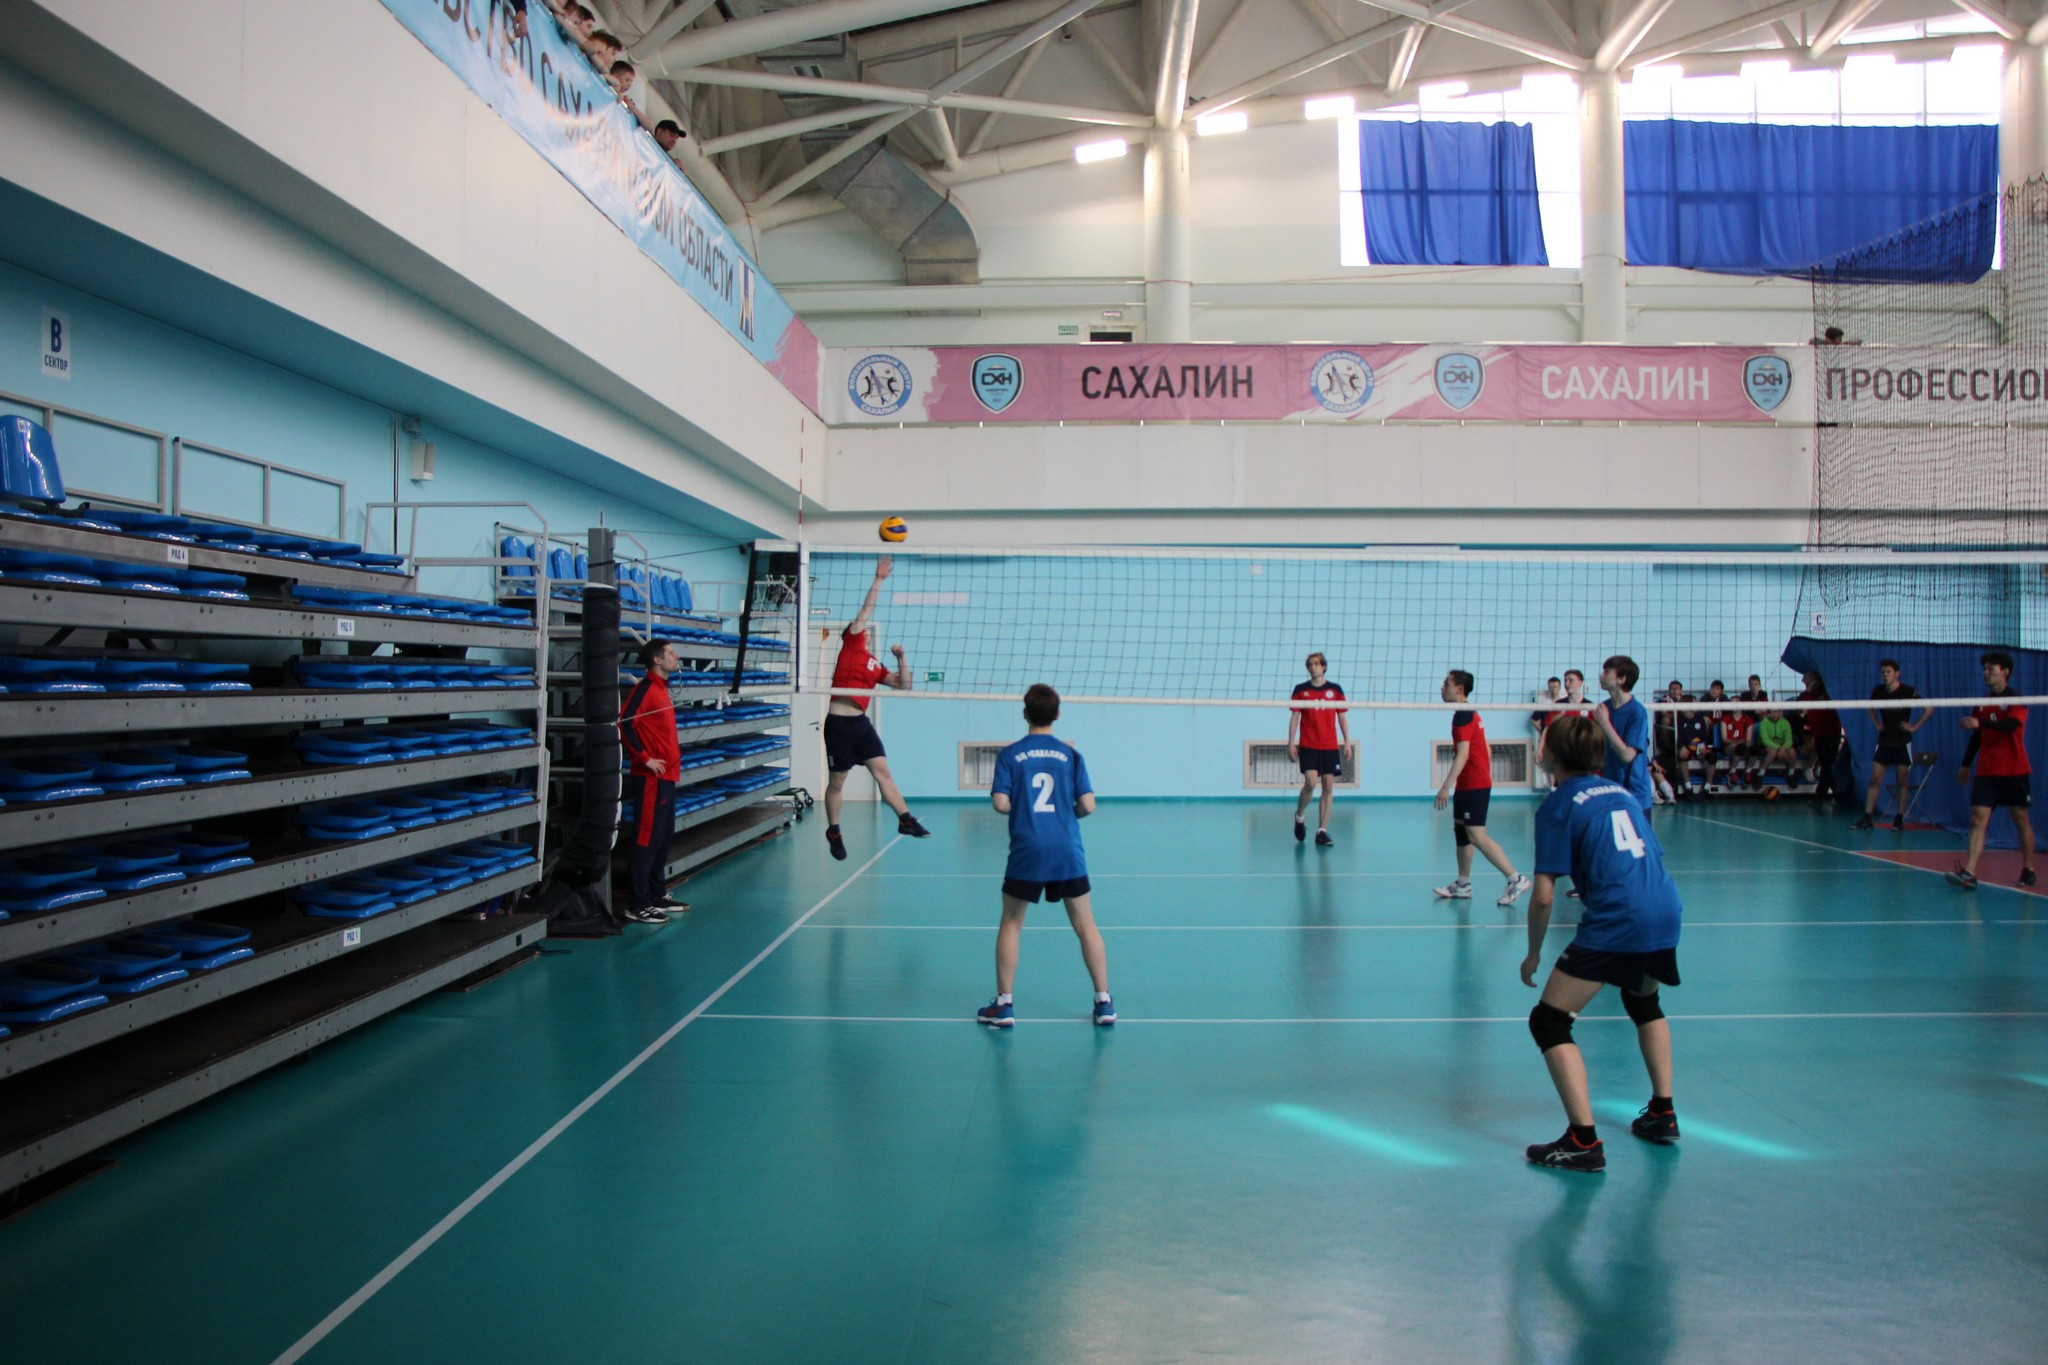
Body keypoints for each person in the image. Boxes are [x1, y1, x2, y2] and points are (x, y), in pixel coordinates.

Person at [1520, 713, 1685, 1172]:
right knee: (1644, 1002)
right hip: (1664, 908)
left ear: (1553, 755)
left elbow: (1544, 895)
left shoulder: (1557, 806)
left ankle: (1583, 1141)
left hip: (1619, 918)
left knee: (1549, 1022)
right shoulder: (1622, 793)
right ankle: (1663, 1113)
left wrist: (1533, 953)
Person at [977, 684, 1115, 1028]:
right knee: (1086, 925)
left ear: (1025, 714)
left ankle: (1004, 1005)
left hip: (1028, 848)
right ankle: (1103, 1002)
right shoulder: (1071, 755)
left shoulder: (1010, 755)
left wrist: (1025, 810)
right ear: (1058, 714)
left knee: (1012, 923)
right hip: (1067, 849)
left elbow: (1000, 803)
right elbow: (1088, 805)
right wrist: (1066, 814)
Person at [823, 556, 931, 861]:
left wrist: (901, 659)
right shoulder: (852, 643)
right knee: (837, 782)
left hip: (861, 725)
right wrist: (879, 579)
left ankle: (905, 819)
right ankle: (834, 831)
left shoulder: (874, 664)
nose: (866, 629)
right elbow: (867, 609)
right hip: (838, 725)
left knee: (883, 771)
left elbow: (903, 684)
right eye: (861, 627)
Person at [1432, 670, 1532, 906]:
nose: (1442, 688)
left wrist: (1445, 786)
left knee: (1477, 835)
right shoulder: (1471, 713)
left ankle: (1516, 878)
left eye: (1446, 684)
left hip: (1474, 784)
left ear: (1459, 690)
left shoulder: (1463, 716)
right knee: (1461, 832)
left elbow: (1464, 754)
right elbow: (1487, 749)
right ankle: (1463, 885)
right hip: (1470, 782)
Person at [1948, 650, 2038, 890]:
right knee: (1977, 818)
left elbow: (2011, 725)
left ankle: (2028, 868)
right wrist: (1966, 764)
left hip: (2014, 769)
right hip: (1987, 771)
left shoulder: (2016, 699)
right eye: (1984, 669)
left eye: (1991, 669)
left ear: (2005, 672)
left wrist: (1981, 722)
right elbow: (1978, 736)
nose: (1986, 673)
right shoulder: (1983, 702)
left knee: (2020, 818)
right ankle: (1969, 872)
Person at [619, 639, 690, 924]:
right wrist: (645, 758)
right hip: (650, 778)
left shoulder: (662, 690)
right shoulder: (645, 689)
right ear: (657, 660)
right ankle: (638, 903)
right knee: (646, 837)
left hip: (667, 777)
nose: (676, 656)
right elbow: (625, 723)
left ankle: (657, 892)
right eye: (671, 653)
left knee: (663, 836)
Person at [1856, 659, 1933, 831]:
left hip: (1902, 740)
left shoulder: (1908, 691)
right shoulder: (1878, 691)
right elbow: (1869, 707)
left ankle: (1899, 818)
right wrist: (1877, 724)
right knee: (1874, 779)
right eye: (1883, 672)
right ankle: (1867, 817)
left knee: (1901, 781)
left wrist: (1914, 726)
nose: (1885, 675)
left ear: (1897, 674)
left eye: (1888, 672)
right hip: (1884, 740)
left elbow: (1929, 708)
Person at [1288, 652, 1353, 847]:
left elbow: (1342, 717)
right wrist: (1291, 742)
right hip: (1308, 744)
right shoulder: (1301, 690)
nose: (1313, 667)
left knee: (1328, 786)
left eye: (1316, 664)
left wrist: (1347, 742)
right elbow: (1295, 718)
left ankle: (1321, 831)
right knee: (1310, 782)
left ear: (1323, 666)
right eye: (1310, 664)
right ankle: (1299, 816)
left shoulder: (1335, 689)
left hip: (1329, 745)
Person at [1594, 655, 1655, 821]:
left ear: (1621, 679)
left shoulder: (1637, 712)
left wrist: (1605, 724)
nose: (1601, 675)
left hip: (1634, 793)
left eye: (1607, 672)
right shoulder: (1604, 708)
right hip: (1610, 788)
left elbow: (1627, 755)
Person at [1798, 669, 1843, 803]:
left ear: (1815, 681)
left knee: (1828, 764)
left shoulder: (1828, 693)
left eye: (1807, 682)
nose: (1804, 684)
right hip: (1819, 734)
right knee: (1825, 764)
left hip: (1831, 734)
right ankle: (1833, 794)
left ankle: (1830, 794)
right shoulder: (1808, 695)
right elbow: (1798, 706)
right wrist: (1808, 690)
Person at [1715, 707, 1757, 790]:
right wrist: (1736, 742)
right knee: (1740, 748)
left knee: (1755, 749)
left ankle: (1748, 771)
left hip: (1743, 745)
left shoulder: (1748, 719)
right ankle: (1732, 771)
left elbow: (1748, 739)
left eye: (1736, 702)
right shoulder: (1725, 719)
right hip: (1729, 745)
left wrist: (1743, 743)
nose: (1734, 704)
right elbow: (1724, 738)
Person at [1755, 708, 1798, 783]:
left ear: (1780, 712)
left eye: (1775, 712)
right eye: (1771, 712)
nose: (1773, 714)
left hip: (1782, 746)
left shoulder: (1785, 723)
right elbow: (1765, 740)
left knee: (1792, 751)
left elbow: (1789, 739)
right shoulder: (1764, 723)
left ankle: (1791, 773)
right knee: (1773, 751)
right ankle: (1760, 774)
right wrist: (1779, 748)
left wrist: (1783, 747)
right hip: (1767, 746)